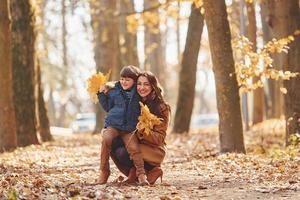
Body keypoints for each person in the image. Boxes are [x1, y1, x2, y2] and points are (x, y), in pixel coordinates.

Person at [111, 71, 171, 185]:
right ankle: (135, 173)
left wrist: (144, 131)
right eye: (139, 84)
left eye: (146, 84)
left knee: (123, 152)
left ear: (153, 86)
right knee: (112, 142)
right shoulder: (133, 103)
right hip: (135, 145)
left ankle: (151, 170)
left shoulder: (162, 107)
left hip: (154, 150)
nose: (142, 88)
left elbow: (159, 138)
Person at [97, 65, 148, 185]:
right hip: (113, 124)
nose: (124, 82)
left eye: (127, 80)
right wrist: (101, 95)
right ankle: (104, 171)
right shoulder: (114, 90)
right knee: (106, 139)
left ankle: (141, 174)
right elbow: (108, 107)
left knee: (134, 148)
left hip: (129, 128)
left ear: (134, 81)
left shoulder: (138, 94)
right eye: (122, 79)